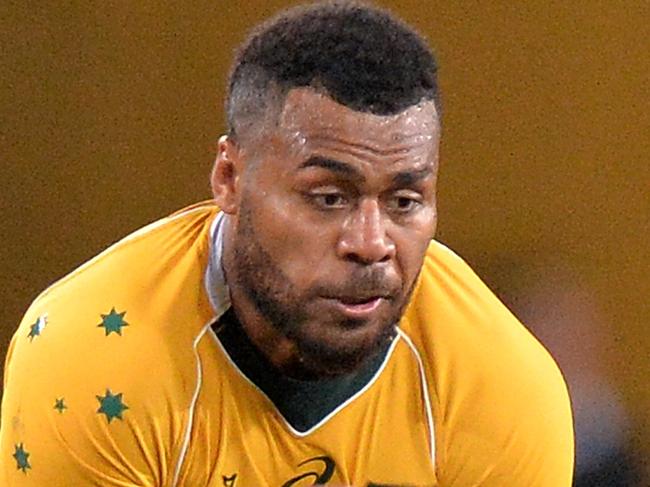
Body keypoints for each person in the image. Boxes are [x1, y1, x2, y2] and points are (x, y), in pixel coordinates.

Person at [0, 2, 573, 485]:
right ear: (228, 178)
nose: (372, 245)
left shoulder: (501, 391)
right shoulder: (93, 357)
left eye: (404, 202)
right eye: (328, 198)